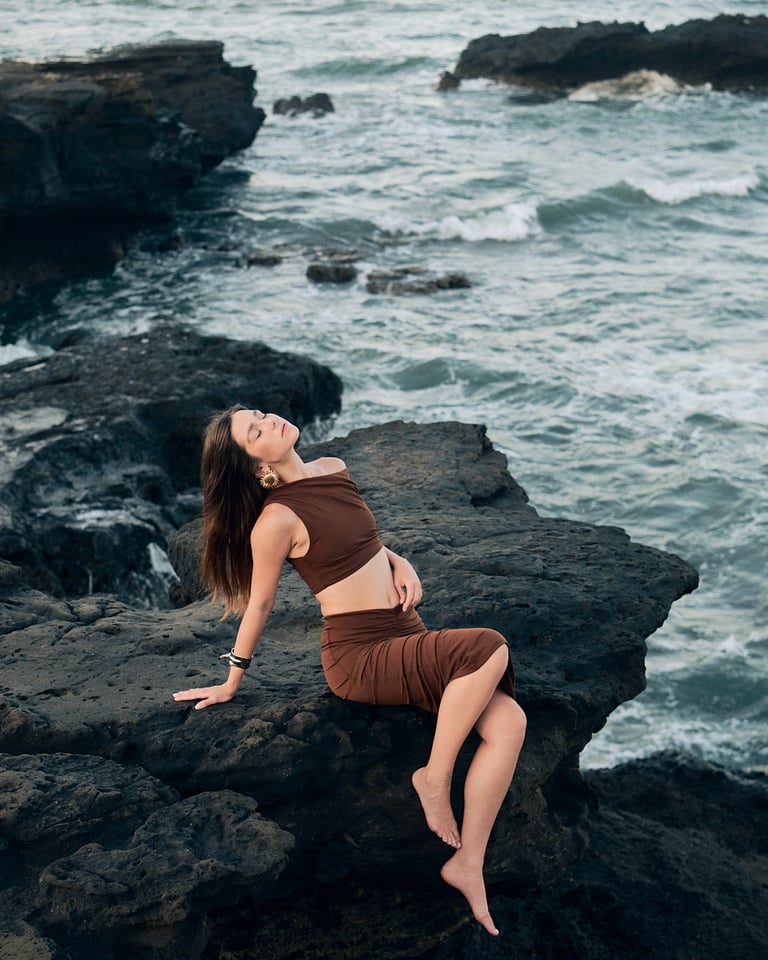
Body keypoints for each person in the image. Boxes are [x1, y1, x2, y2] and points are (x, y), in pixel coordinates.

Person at [173, 405, 526, 936]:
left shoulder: (333, 468)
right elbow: (260, 604)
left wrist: (398, 560)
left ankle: (467, 862)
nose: (270, 421)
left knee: (510, 723)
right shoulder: (276, 521)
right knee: (488, 646)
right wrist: (232, 679)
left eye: (262, 414)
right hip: (359, 656)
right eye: (255, 431)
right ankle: (434, 777)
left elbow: (360, 540)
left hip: (406, 630)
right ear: (256, 468)